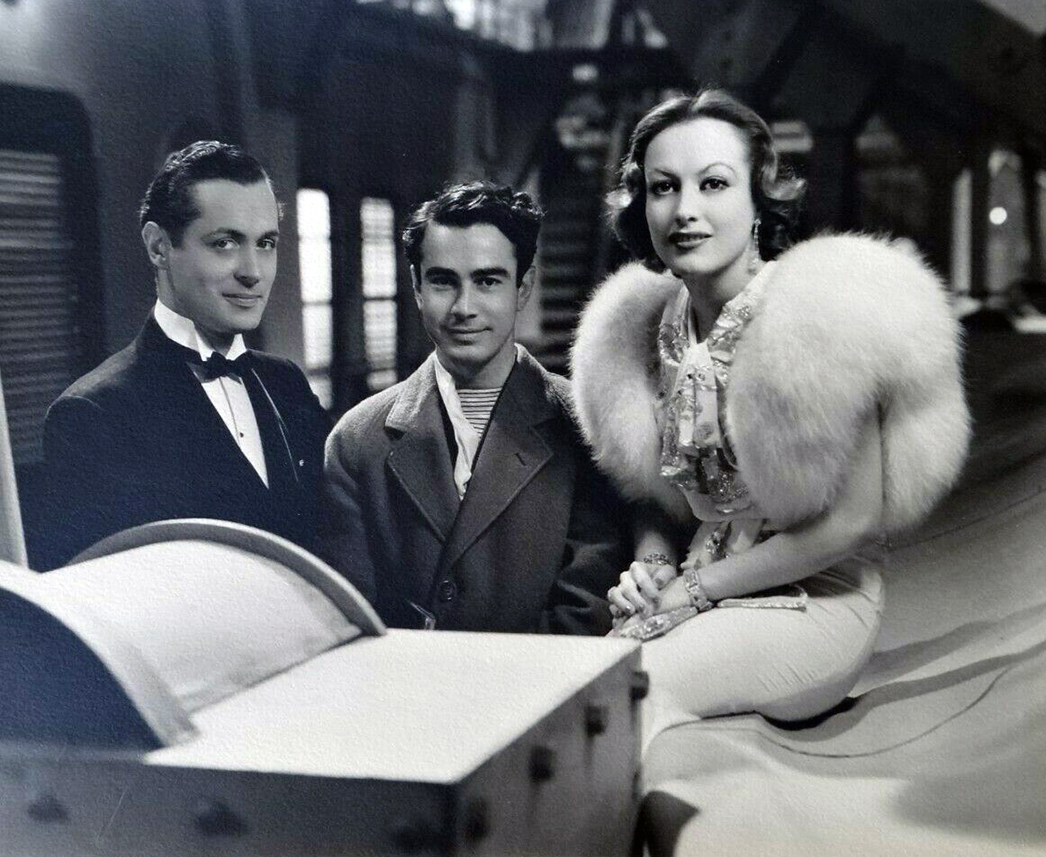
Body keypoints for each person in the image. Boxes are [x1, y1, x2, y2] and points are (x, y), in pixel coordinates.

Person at [570, 91, 969, 745]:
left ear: (761, 199)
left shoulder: (823, 314)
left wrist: (696, 591)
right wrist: (651, 568)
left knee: (627, 693)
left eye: (714, 183)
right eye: (664, 187)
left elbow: (848, 522)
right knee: (590, 685)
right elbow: (660, 499)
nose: (686, 210)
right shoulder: (647, 330)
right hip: (702, 585)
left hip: (820, 602)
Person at [323, 181, 629, 633]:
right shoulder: (357, 442)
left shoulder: (586, 426)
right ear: (416, 287)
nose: (464, 308)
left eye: (487, 281)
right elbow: (354, 621)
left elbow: (588, 606)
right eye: (444, 281)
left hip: (543, 689)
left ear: (523, 288)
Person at [40, 141, 330, 569]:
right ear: (158, 247)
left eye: (265, 243)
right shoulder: (93, 415)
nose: (253, 271)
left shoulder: (286, 383)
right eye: (224, 243)